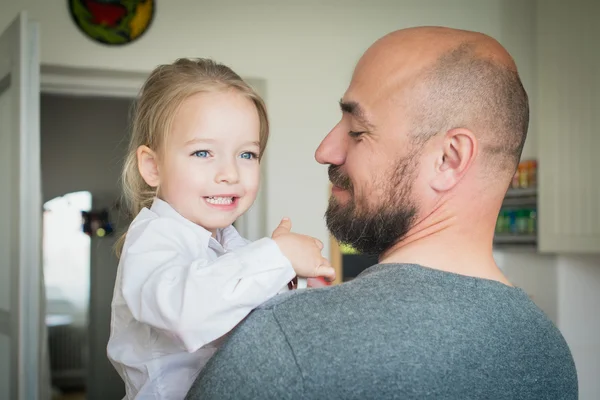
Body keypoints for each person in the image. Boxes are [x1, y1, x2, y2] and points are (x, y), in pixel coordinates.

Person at [186, 27, 578, 399]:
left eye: (357, 131)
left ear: (449, 158)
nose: (325, 151)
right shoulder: (549, 352)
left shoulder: (283, 344)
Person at [106, 58, 335, 400]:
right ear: (152, 167)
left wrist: (294, 284)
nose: (229, 173)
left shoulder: (233, 246)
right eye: (202, 152)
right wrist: (277, 256)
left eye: (247, 155)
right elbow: (184, 314)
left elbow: (252, 324)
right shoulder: (152, 239)